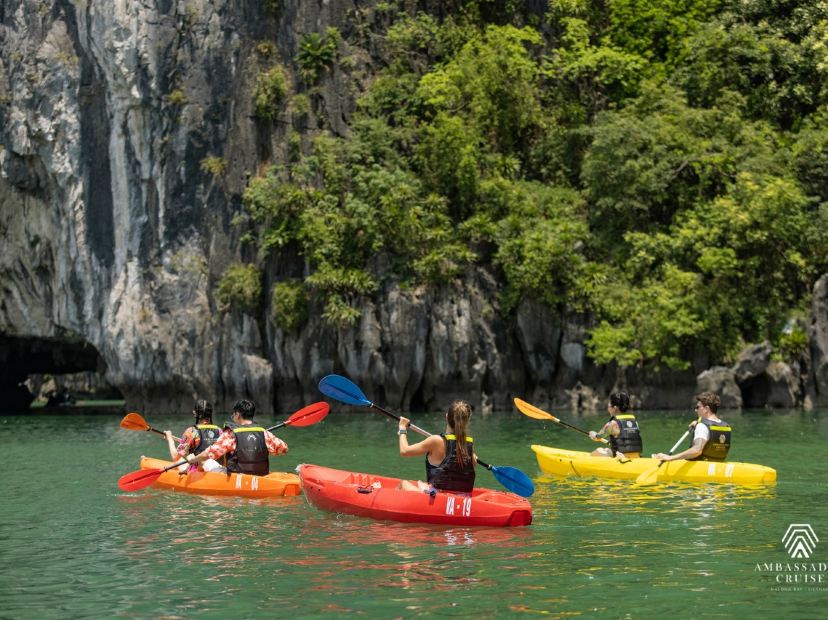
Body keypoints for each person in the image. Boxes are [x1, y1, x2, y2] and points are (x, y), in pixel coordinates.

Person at [185, 399, 288, 475]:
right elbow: (283, 449)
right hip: (261, 475)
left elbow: (210, 453)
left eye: (233, 415)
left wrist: (193, 460)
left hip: (236, 478)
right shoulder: (264, 433)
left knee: (205, 460)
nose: (233, 418)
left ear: (238, 415)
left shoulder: (231, 434)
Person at [397, 400, 476, 493]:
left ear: (446, 417)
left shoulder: (436, 441)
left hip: (438, 497)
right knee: (421, 484)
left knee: (403, 484)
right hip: (464, 498)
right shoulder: (468, 444)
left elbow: (404, 451)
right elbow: (472, 464)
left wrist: (402, 428)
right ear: (466, 421)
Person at [652, 391, 731, 463]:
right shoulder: (726, 426)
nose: (695, 410)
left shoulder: (702, 426)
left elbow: (697, 451)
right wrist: (699, 422)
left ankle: (660, 457)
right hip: (719, 465)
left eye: (698, 407)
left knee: (659, 456)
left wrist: (670, 458)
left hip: (701, 467)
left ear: (706, 409)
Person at [164, 399, 223, 473]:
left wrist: (170, 439)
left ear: (196, 413)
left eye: (194, 410)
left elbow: (175, 457)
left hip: (197, 471)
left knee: (179, 460)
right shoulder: (219, 431)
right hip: (216, 469)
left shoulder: (191, 431)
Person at [588, 392, 642, 458]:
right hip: (637, 456)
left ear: (615, 407)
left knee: (598, 450)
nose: (608, 409)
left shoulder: (612, 423)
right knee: (606, 450)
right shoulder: (635, 421)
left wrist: (593, 434)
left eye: (609, 406)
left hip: (621, 457)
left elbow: (597, 437)